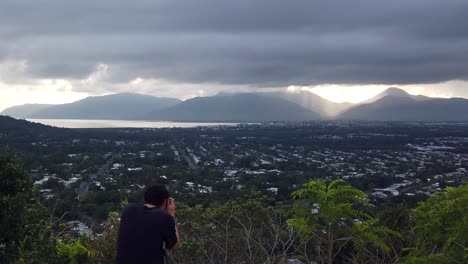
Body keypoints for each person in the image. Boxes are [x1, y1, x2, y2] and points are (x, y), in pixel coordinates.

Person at [116, 184, 180, 264]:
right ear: (165, 201)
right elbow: (173, 246)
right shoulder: (165, 218)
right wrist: (171, 214)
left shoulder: (128, 210)